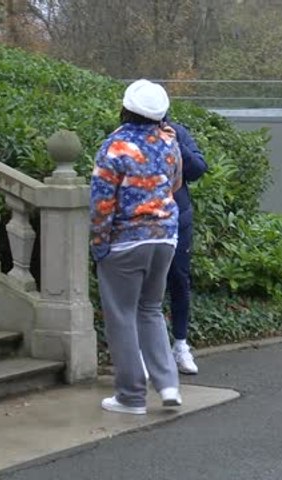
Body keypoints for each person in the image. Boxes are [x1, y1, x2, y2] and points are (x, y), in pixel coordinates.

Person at [91, 79, 183, 415]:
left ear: (126, 108)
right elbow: (176, 184)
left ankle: (131, 397)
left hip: (126, 241)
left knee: (122, 316)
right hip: (165, 237)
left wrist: (99, 245)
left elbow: (102, 203)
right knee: (151, 310)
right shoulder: (169, 142)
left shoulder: (114, 147)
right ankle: (169, 384)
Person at [164, 118, 207, 374]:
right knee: (146, 289)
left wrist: (177, 144)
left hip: (179, 219)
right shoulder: (130, 135)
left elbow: (198, 168)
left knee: (179, 280)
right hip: (144, 222)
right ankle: (145, 351)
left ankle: (180, 344)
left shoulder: (178, 132)